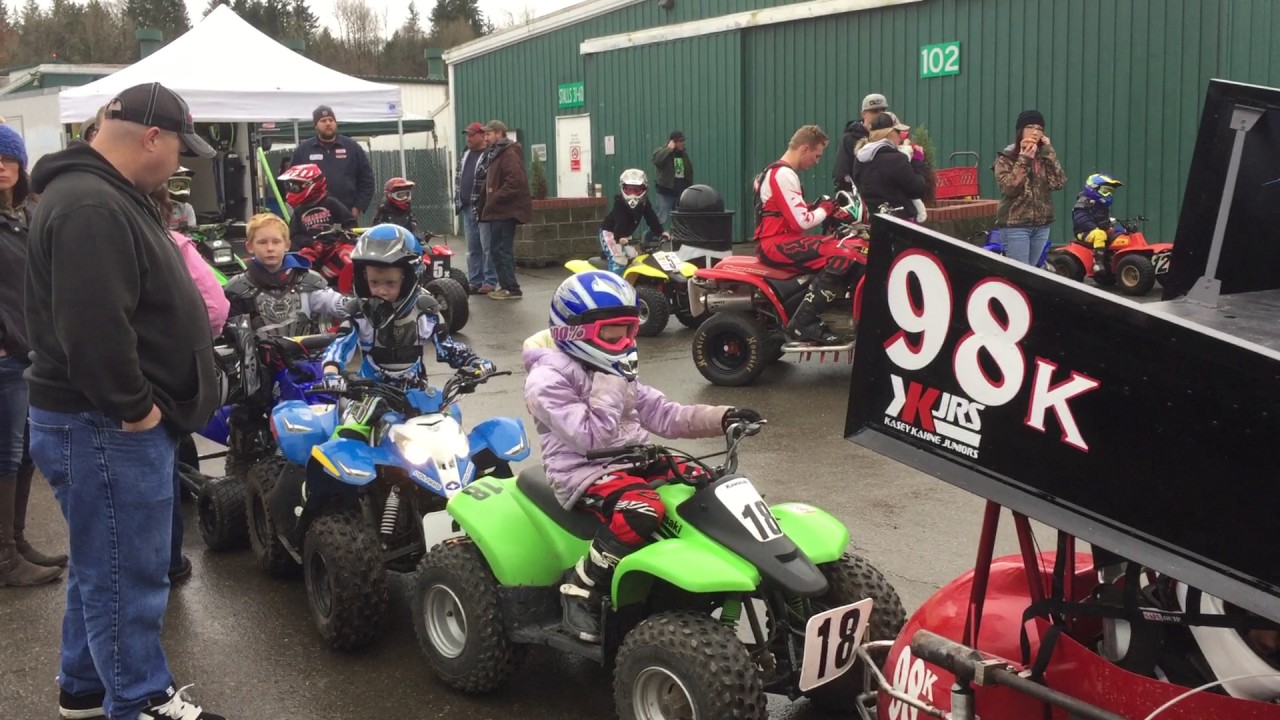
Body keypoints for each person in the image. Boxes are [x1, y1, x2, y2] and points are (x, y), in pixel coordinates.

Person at [25, 82, 225, 720]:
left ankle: (83, 686)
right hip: (105, 424)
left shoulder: (103, 193)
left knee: (100, 562)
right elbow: (93, 329)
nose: (181, 162)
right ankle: (139, 699)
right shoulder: (91, 203)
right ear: (151, 137)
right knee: (127, 575)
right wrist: (135, 409)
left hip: (99, 422)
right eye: (179, 149)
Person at [522, 270, 760, 642]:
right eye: (612, 334)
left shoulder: (616, 370)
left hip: (636, 460)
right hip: (584, 472)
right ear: (574, 333)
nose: (625, 343)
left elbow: (666, 414)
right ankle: (583, 585)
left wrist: (723, 418)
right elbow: (591, 437)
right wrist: (611, 379)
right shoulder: (546, 381)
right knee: (643, 509)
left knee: (709, 483)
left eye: (629, 331)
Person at [319, 224, 495, 410]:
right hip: (368, 396)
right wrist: (331, 374)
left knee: (448, 429)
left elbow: (448, 348)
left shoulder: (426, 312)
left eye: (390, 283)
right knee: (349, 434)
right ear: (363, 279)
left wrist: (475, 363)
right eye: (374, 282)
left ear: (409, 279)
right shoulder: (358, 314)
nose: (381, 291)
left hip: (418, 397)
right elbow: (338, 347)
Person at [148, 184, 230, 583]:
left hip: (118, 380)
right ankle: (170, 561)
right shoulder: (175, 243)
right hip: (170, 372)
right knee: (168, 456)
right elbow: (216, 307)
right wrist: (195, 346)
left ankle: (159, 562)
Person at [0, 124, 66, 589]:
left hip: (27, 351)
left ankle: (17, 543)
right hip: (5, 356)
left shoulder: (23, 218)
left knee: (22, 456)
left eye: (9, 159)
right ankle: (4, 560)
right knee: (5, 456)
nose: (1, 167)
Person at [754, 125, 861, 345]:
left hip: (781, 240)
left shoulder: (777, 172)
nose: (817, 161)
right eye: (816, 155)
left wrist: (820, 207)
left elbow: (792, 215)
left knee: (845, 244)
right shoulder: (783, 174)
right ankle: (804, 322)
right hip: (774, 243)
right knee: (843, 254)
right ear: (804, 149)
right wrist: (826, 209)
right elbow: (801, 221)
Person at [225, 212, 349, 337]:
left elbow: (335, 303)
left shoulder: (306, 280)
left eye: (276, 242)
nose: (270, 248)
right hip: (257, 355)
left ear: (287, 245)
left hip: (307, 354)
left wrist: (358, 305)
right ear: (250, 246)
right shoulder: (238, 289)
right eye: (262, 242)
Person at [993, 109, 1067, 266]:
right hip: (1016, 225)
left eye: (1040, 129)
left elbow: (1058, 182)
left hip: (1041, 225)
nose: (1035, 132)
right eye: (1030, 127)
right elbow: (1009, 188)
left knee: (1031, 272)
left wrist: (1049, 153)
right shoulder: (1005, 157)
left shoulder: (1043, 156)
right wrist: (1024, 160)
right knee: (1020, 273)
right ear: (1020, 130)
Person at [477, 120, 531, 300]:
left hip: (505, 211)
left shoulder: (509, 152)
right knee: (496, 249)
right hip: (498, 211)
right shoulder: (498, 152)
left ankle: (512, 288)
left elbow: (515, 181)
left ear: (499, 133)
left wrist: (494, 198)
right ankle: (506, 285)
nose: (485, 137)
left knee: (501, 249)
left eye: (488, 134)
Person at [289, 105, 374, 220]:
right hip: (313, 216)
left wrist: (358, 207)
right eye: (323, 121)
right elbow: (291, 183)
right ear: (315, 125)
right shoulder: (303, 150)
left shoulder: (352, 148)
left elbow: (367, 180)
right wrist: (300, 208)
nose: (328, 123)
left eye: (331, 120)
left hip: (346, 215)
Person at [279, 163, 357, 284]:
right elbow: (293, 236)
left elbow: (351, 224)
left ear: (310, 184)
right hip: (312, 251)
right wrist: (310, 244)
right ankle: (308, 284)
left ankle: (347, 286)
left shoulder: (331, 204)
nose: (291, 190)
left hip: (333, 250)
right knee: (301, 259)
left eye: (294, 187)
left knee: (347, 252)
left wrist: (340, 239)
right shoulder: (299, 211)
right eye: (290, 186)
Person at [851, 112, 927, 221]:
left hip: (872, 221)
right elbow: (918, 190)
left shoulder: (860, 158)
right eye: (898, 132)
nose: (901, 137)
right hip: (899, 222)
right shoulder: (897, 159)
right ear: (891, 133)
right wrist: (917, 161)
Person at [599, 168, 668, 274]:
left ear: (644, 188)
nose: (632, 194)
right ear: (623, 188)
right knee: (619, 259)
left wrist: (660, 232)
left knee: (634, 258)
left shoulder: (644, 202)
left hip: (624, 235)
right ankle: (615, 286)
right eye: (629, 189)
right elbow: (620, 221)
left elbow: (651, 217)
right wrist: (619, 237)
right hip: (611, 232)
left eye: (637, 190)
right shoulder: (619, 202)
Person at [455, 122, 495, 295]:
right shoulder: (465, 153)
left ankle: (490, 281)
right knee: (472, 248)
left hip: (483, 207)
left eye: (472, 135)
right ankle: (475, 280)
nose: (468, 138)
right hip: (466, 206)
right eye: (467, 135)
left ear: (481, 135)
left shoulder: (490, 155)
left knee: (487, 246)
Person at [832, 93, 890, 190]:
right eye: (875, 111)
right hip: (861, 197)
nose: (879, 115)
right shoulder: (849, 138)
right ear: (863, 114)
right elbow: (841, 173)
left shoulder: (890, 137)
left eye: (883, 111)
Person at [1072, 173, 1125, 272]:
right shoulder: (1083, 203)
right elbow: (1081, 219)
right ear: (1093, 188)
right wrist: (1094, 227)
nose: (1108, 195)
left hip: (1098, 229)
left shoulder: (1101, 205)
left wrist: (1109, 225)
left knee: (1120, 232)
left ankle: (1115, 259)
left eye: (1111, 192)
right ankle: (1098, 263)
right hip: (1084, 232)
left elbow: (1103, 219)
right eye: (1105, 191)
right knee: (1100, 234)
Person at [651, 130, 693, 225]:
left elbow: (689, 171)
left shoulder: (683, 154)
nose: (683, 143)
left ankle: (677, 237)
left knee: (679, 219)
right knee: (661, 217)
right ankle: (653, 235)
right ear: (673, 142)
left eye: (683, 140)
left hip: (680, 192)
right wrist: (668, 149)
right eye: (680, 141)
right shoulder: (663, 152)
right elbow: (657, 161)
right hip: (665, 191)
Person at [163, 166, 197, 231]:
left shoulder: (187, 208)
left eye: (184, 186)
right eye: (176, 186)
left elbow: (191, 232)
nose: (181, 189)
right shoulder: (156, 208)